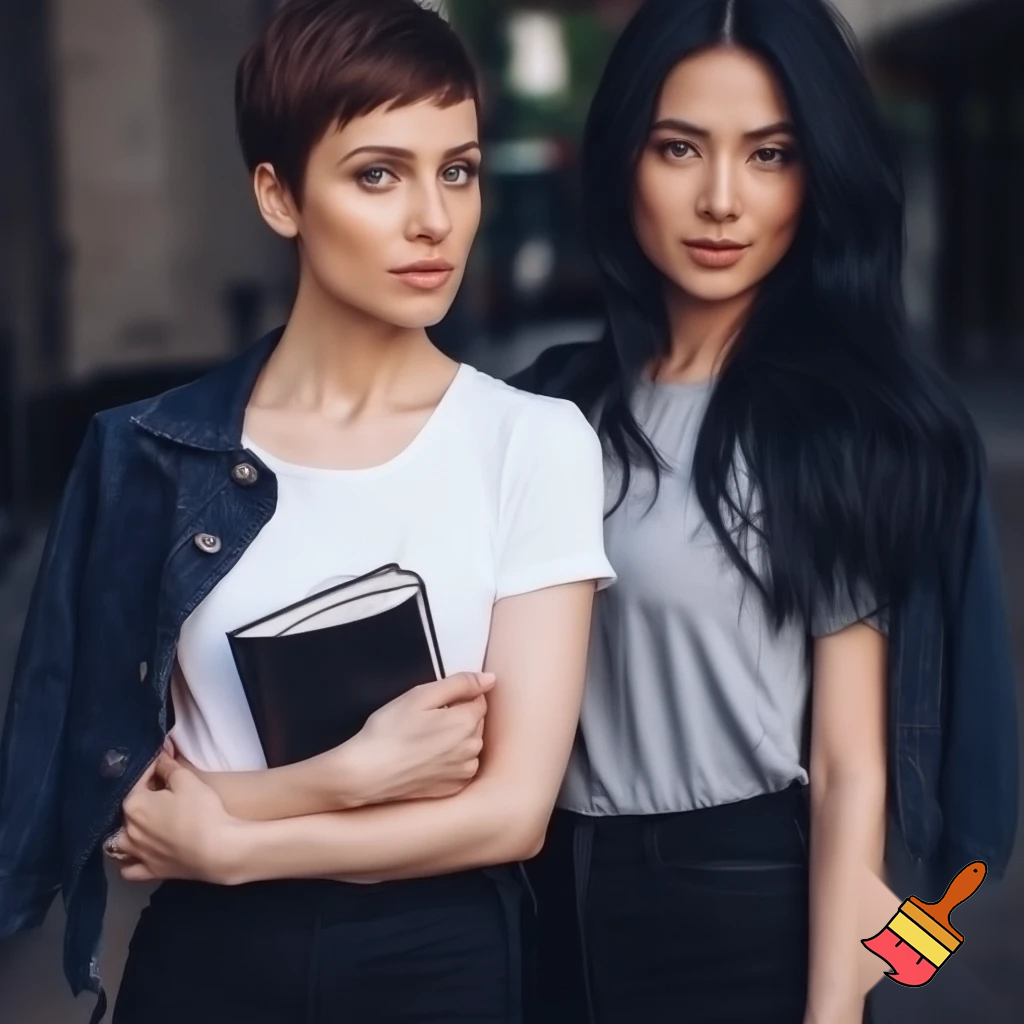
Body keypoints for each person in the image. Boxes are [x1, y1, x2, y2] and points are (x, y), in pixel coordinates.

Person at [0, 2, 614, 1023]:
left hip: (441, 962)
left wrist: (236, 837)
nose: (432, 218)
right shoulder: (149, 454)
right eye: (378, 173)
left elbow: (512, 813)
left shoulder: (534, 441)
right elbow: (95, 800)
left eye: (455, 170)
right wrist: (346, 774)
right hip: (206, 967)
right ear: (278, 195)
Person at [508, 1, 1018, 1022]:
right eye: (680, 148)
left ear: (816, 173)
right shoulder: (550, 409)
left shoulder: (838, 426)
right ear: (623, 162)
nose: (721, 199)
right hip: (549, 903)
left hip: (745, 909)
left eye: (770, 153)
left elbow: (847, 770)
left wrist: (835, 1007)